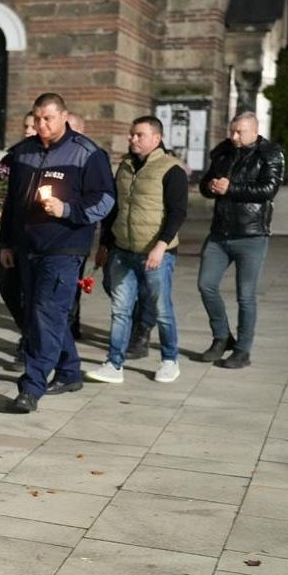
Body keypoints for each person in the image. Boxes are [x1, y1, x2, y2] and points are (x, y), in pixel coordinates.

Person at [0, 93, 115, 414]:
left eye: (48, 118)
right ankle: (69, 371)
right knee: (44, 312)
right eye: (37, 119)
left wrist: (66, 209)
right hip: (27, 246)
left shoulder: (87, 153)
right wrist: (6, 242)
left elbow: (105, 200)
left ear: (64, 116)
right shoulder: (23, 152)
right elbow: (12, 204)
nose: (41, 125)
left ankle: (31, 387)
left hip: (65, 246)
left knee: (44, 312)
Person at [86, 116, 188, 384]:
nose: (132, 139)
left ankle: (169, 360)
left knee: (162, 309)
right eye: (132, 134)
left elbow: (177, 212)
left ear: (156, 138)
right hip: (122, 250)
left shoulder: (171, 169)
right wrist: (105, 244)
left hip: (156, 252)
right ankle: (114, 364)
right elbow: (115, 210)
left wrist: (161, 246)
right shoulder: (125, 167)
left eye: (139, 135)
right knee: (120, 310)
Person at [196, 111, 285, 368]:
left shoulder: (270, 153)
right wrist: (210, 186)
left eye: (240, 132)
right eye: (232, 131)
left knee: (246, 296)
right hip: (219, 233)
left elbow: (269, 189)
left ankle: (243, 350)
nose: (234, 136)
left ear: (254, 131)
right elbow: (204, 184)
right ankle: (222, 337)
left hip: (252, 234)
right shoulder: (223, 151)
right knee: (206, 284)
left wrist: (231, 188)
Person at [0, 111, 36, 369]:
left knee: (31, 294)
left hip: (32, 238)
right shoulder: (11, 157)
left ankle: (29, 343)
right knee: (7, 288)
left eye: (33, 125)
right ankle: (28, 330)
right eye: (26, 125)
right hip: (6, 237)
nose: (28, 130)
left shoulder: (45, 159)